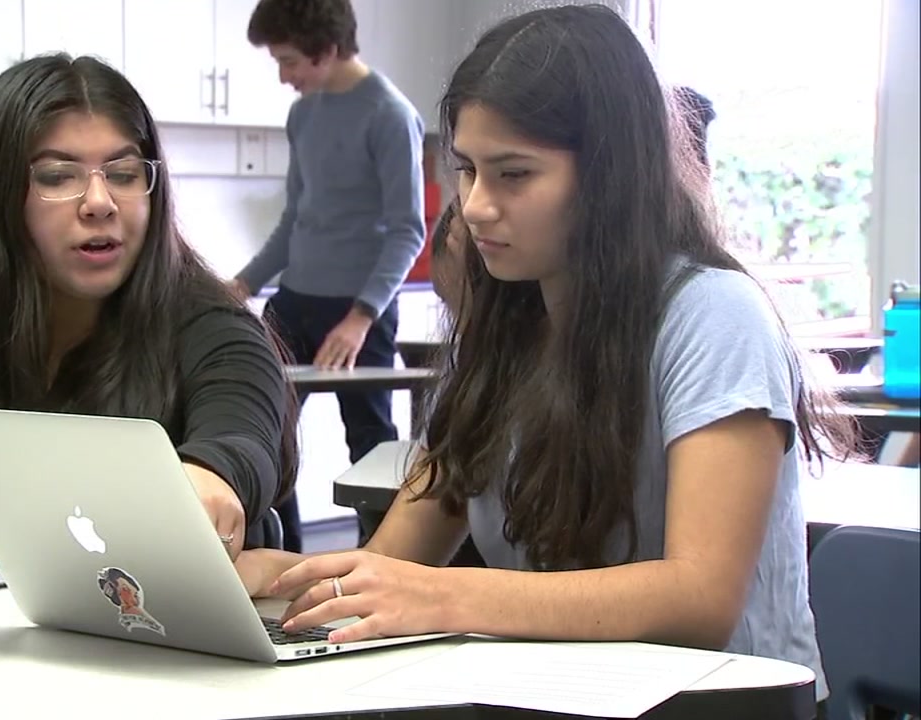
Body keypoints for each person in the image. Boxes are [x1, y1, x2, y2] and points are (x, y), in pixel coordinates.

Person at [233, 4, 856, 702]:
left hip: (720, 708)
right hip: (563, 695)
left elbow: (699, 598)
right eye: (466, 170)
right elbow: (390, 567)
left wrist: (445, 597)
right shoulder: (511, 323)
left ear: (611, 177)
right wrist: (263, 577)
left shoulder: (714, 316)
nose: (472, 206)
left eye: (514, 175)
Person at [0, 54, 298, 564]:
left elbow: (242, 437)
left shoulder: (213, 327)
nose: (99, 201)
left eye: (125, 173)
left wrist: (211, 475)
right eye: (58, 176)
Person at [228, 0, 427, 551]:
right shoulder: (303, 115)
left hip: (359, 312)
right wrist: (240, 286)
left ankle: (383, 565)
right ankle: (279, 558)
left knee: (370, 445)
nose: (283, 75)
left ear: (328, 49)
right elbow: (294, 222)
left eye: (289, 60)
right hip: (294, 304)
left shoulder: (389, 115)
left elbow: (409, 232)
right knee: (265, 429)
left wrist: (360, 318)